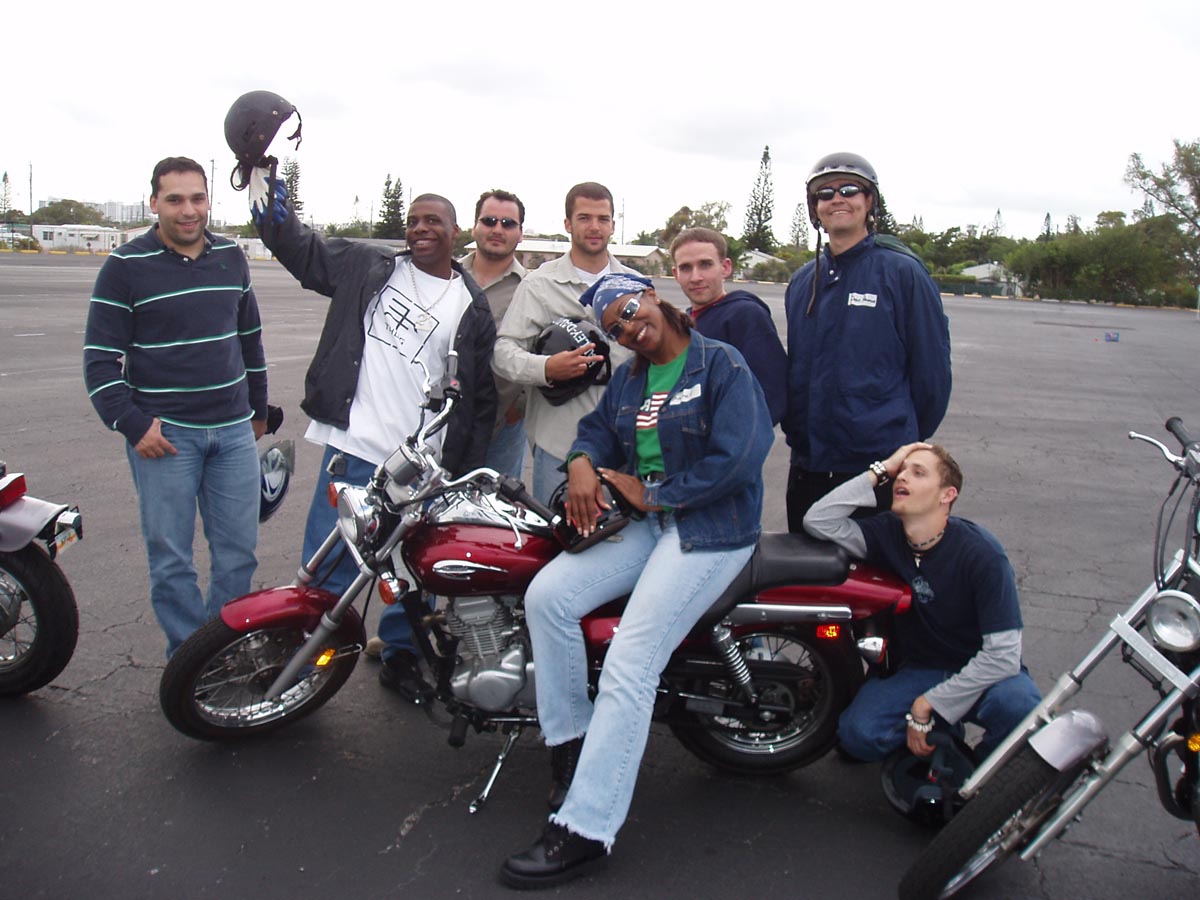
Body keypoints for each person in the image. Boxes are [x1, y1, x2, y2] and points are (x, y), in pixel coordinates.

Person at [500, 274, 774, 889]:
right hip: (650, 522)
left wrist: (655, 495)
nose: (628, 329)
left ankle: (586, 828)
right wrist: (580, 461)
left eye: (629, 310)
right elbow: (598, 431)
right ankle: (572, 746)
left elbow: (740, 458)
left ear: (652, 296)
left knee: (631, 658)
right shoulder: (629, 377)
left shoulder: (721, 364)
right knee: (547, 597)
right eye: (615, 328)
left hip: (709, 527)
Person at [250, 174, 496, 701]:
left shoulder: (470, 307)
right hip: (356, 449)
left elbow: (479, 400)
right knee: (330, 561)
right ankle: (302, 663)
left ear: (455, 232)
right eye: (413, 220)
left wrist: (460, 473)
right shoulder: (369, 265)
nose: (420, 228)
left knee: (415, 571)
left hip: (422, 467)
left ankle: (402, 655)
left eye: (433, 221)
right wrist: (263, 188)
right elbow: (302, 250)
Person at [84, 156, 268, 657]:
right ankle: (189, 661)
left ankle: (224, 654)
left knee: (238, 555)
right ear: (154, 203)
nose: (189, 210)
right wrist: (133, 425)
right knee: (171, 560)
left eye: (197, 198)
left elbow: (249, 339)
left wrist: (258, 410)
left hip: (233, 434)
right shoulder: (124, 267)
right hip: (165, 438)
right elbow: (99, 362)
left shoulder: (231, 257)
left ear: (208, 201)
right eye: (175, 199)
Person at [802, 442, 1041, 763]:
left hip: (983, 672)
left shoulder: (983, 554)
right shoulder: (887, 533)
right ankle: (940, 735)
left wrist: (929, 704)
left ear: (947, 495)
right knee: (857, 735)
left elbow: (1003, 657)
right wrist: (881, 469)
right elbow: (818, 520)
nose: (902, 477)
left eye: (918, 473)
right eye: (901, 472)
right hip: (919, 669)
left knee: (1019, 708)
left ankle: (977, 773)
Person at [782, 152, 952, 531]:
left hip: (877, 469)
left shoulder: (903, 273)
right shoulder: (802, 282)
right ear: (814, 207)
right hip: (809, 465)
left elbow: (932, 376)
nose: (837, 199)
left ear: (869, 200)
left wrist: (895, 437)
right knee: (806, 566)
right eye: (825, 193)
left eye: (849, 190)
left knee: (875, 567)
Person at [492, 182, 639, 502]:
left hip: (624, 447)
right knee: (561, 531)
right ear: (568, 224)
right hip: (560, 447)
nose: (594, 227)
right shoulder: (539, 284)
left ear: (613, 225)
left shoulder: (635, 286)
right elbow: (502, 352)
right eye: (584, 218)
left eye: (603, 219)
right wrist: (546, 368)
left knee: (624, 531)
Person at [670, 226, 787, 424]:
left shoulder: (745, 315)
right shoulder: (683, 326)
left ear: (725, 267)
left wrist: (732, 439)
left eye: (705, 265)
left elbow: (770, 394)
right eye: (686, 268)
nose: (696, 277)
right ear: (676, 274)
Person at [460, 189, 528, 478]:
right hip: (441, 420)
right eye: (489, 221)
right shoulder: (447, 276)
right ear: (474, 226)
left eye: (508, 223)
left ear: (520, 233)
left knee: (495, 502)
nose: (498, 229)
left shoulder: (532, 289)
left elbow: (542, 348)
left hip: (502, 428)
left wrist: (519, 406)